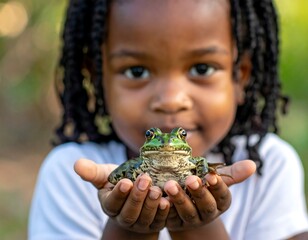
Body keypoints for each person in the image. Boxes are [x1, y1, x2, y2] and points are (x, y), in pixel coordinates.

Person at [28, 0, 308, 239]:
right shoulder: (72, 173)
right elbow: (125, 172)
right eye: (136, 71)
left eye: (202, 68)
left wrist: (201, 226)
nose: (171, 99)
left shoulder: (268, 166)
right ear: (97, 80)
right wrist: (127, 228)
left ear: (241, 76)